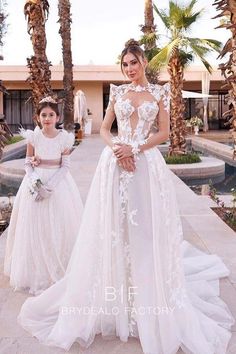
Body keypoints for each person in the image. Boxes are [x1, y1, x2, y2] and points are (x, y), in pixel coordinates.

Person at [18, 41, 234, 353]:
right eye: (125, 64)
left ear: (144, 62)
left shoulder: (160, 93)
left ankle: (145, 296)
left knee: (144, 230)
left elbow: (164, 133)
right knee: (114, 229)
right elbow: (105, 129)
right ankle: (114, 294)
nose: (129, 69)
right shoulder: (117, 92)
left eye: (133, 62)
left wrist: (134, 148)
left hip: (145, 165)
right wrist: (118, 148)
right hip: (114, 164)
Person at [4, 97, 83, 295]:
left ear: (57, 117)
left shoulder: (64, 138)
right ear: (37, 118)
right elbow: (27, 163)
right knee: (35, 227)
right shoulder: (34, 137)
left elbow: (65, 166)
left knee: (58, 225)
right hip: (35, 184)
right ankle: (36, 270)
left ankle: (59, 266)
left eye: (51, 115)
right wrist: (34, 182)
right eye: (43, 115)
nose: (47, 118)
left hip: (58, 184)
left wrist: (50, 186)